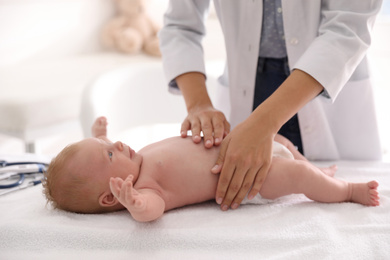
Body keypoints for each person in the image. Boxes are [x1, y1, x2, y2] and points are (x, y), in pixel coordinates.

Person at [159, 1, 383, 211]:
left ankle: (343, 187)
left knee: (304, 174)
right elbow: (181, 27)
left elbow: (348, 28)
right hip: (248, 89)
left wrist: (263, 123)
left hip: (322, 83)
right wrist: (199, 105)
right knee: (274, 177)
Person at [43, 117, 380, 222]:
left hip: (247, 147)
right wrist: (135, 204)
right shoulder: (146, 187)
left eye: (111, 143)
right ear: (109, 196)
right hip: (251, 181)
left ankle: (318, 171)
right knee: (298, 177)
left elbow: (106, 155)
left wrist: (101, 141)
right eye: (110, 156)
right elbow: (151, 213)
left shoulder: (138, 157)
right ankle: (347, 191)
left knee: (279, 138)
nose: (118, 146)